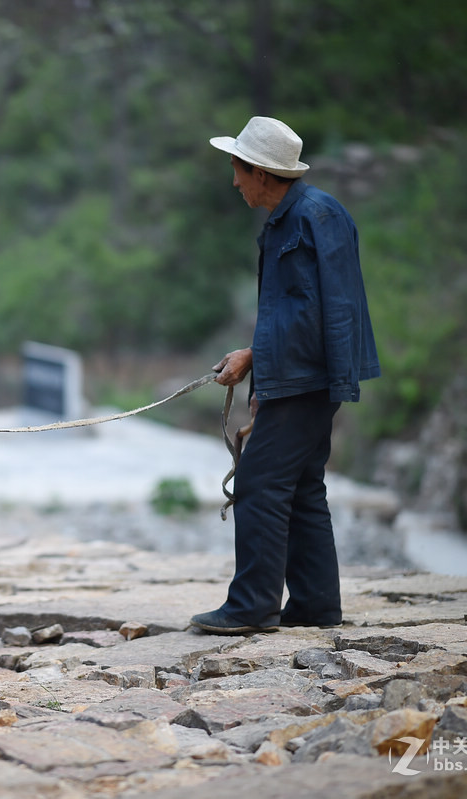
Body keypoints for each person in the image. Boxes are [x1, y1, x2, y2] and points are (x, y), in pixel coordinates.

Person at [190, 116, 381, 635]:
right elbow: (291, 313)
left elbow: (330, 310)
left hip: (309, 377)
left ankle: (251, 606)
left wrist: (265, 365)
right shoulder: (285, 220)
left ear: (259, 172)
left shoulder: (318, 216)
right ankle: (316, 605)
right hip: (293, 375)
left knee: (259, 483)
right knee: (299, 487)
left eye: (237, 169)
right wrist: (257, 367)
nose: (233, 182)